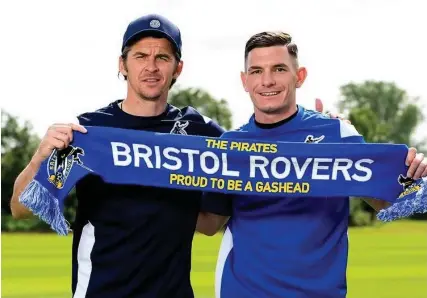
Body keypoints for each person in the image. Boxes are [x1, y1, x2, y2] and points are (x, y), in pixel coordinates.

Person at [10, 14, 230, 298]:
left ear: (178, 68)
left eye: (162, 57)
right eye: (140, 56)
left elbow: (211, 224)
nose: (151, 66)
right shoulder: (89, 132)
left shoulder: (200, 133)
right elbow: (21, 208)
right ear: (122, 64)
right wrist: (40, 156)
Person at [197, 32, 427, 298]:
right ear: (244, 80)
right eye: (256, 71)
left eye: (279, 69)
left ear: (300, 76)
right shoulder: (230, 145)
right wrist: (156, 184)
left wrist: (415, 174)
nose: (267, 80)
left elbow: (389, 205)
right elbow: (210, 224)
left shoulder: (337, 135)